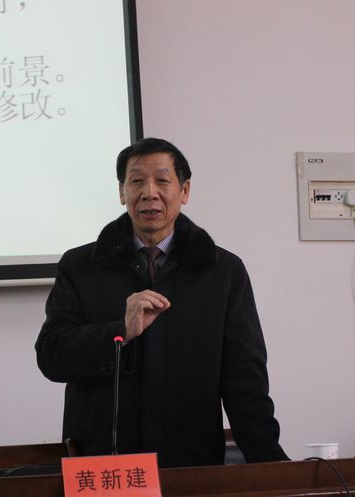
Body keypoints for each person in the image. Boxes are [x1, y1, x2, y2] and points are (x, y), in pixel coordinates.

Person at [35, 137, 288, 468]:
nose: (149, 193)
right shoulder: (81, 266)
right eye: (136, 181)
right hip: (103, 464)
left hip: (190, 464)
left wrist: (270, 462)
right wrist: (120, 332)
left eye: (162, 181)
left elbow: (244, 378)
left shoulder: (222, 271)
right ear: (122, 192)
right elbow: (52, 357)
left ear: (184, 191)